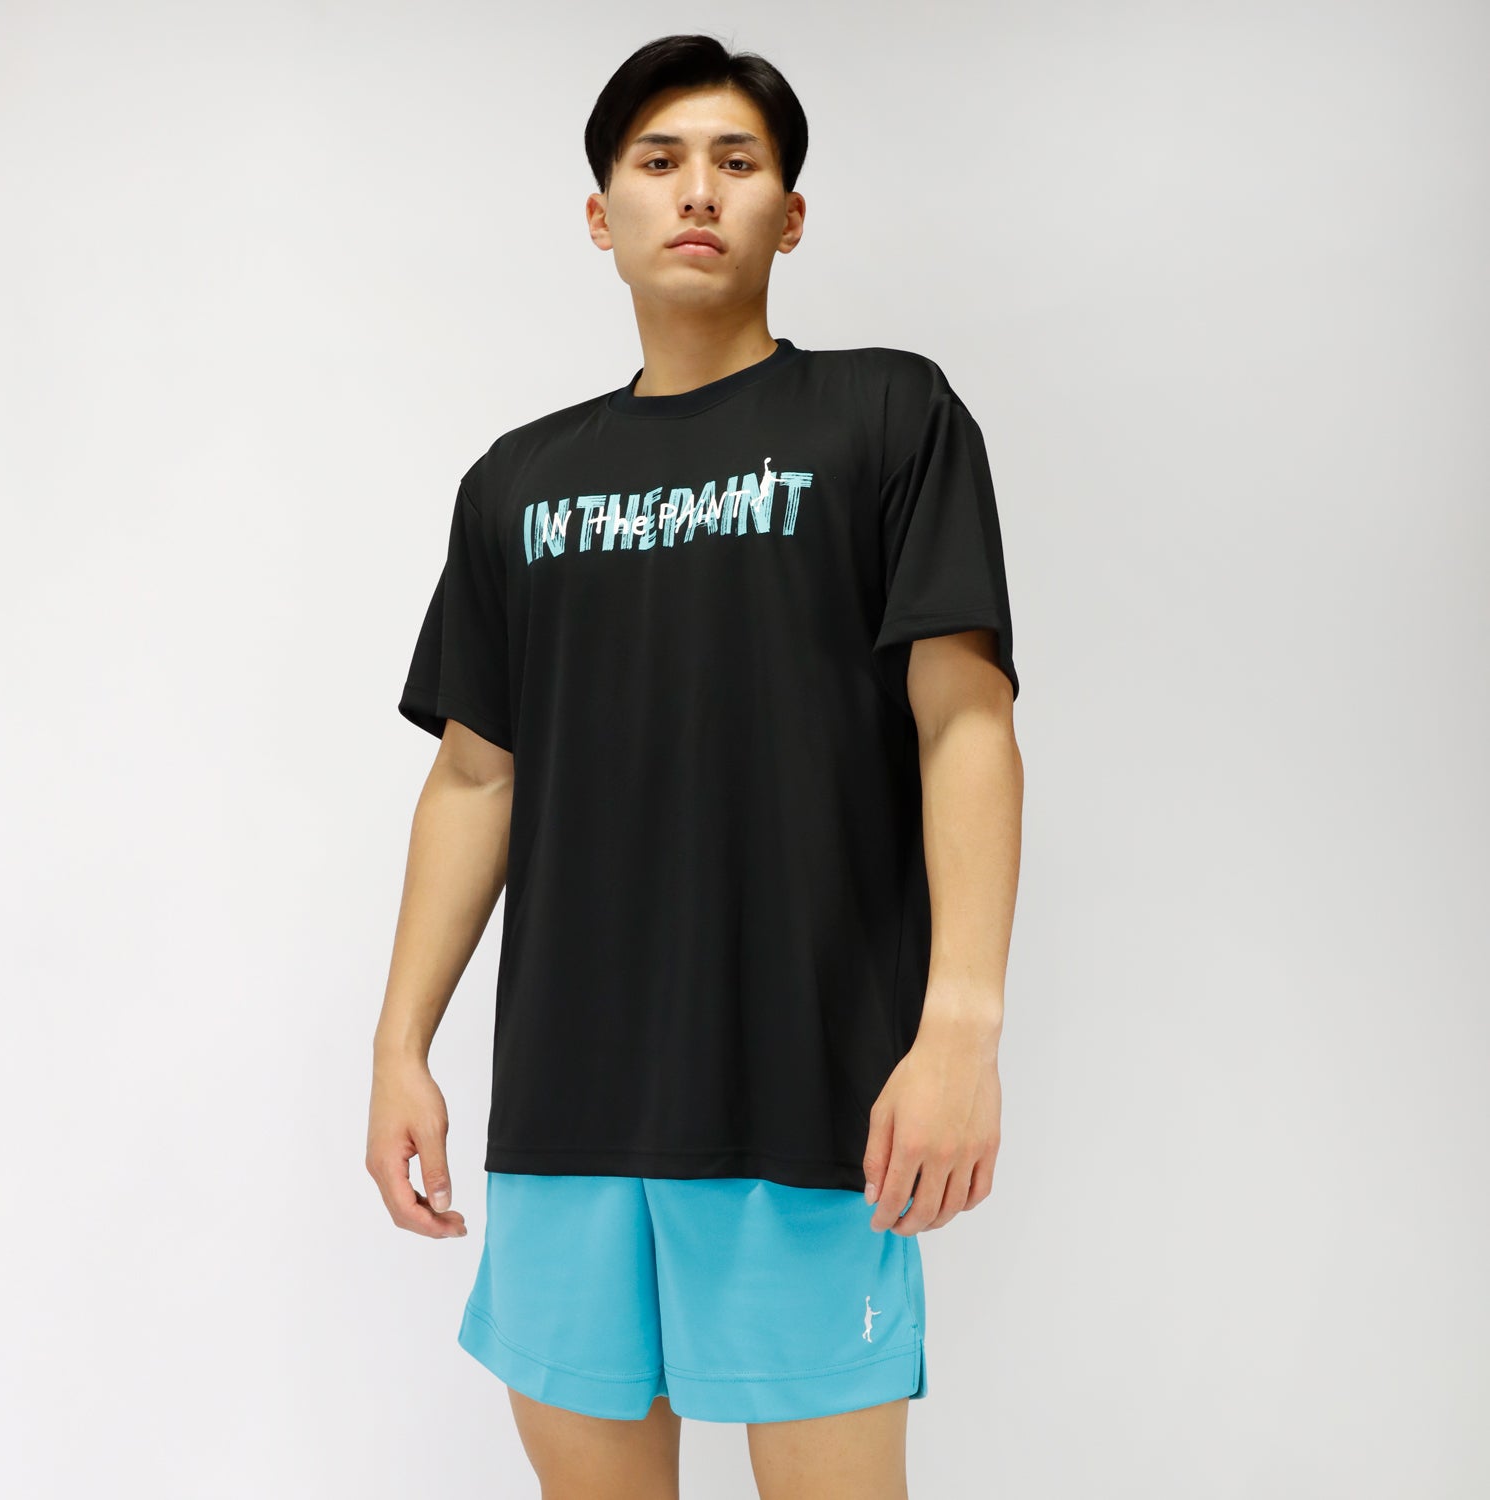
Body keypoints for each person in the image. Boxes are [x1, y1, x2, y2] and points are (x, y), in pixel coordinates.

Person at [366, 31, 1023, 1500]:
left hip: (808, 1098)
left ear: (791, 214)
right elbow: (477, 777)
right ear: (601, 215)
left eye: (738, 161)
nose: (698, 190)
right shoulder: (517, 483)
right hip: (566, 1112)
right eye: (659, 161)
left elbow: (966, 722)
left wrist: (962, 1027)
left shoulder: (887, 418)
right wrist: (401, 1043)